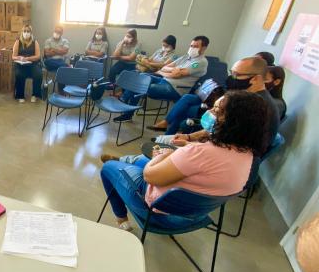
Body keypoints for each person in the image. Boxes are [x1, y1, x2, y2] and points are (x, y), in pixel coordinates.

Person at [100, 90, 269, 231]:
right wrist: (188, 145)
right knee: (139, 160)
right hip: (194, 215)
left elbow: (150, 176)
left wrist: (162, 155)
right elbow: (206, 163)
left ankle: (121, 219)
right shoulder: (249, 157)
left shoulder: (199, 152)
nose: (209, 113)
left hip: (158, 212)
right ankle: (126, 160)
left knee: (109, 168)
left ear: (233, 122)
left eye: (216, 111)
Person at [167, 57, 280, 153]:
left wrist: (190, 146)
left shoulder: (255, 106)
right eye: (232, 73)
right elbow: (216, 129)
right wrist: (189, 137)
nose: (232, 78)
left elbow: (226, 142)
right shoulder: (245, 97)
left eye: (237, 75)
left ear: (256, 79)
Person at [114, 36, 209, 122]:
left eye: (195, 46)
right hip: (163, 80)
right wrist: (171, 70)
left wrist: (166, 71)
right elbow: (166, 67)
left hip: (174, 88)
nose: (192, 48)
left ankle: (125, 108)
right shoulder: (185, 57)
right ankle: (124, 102)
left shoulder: (201, 62)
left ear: (204, 48)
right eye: (191, 46)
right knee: (140, 78)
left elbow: (177, 74)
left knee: (140, 86)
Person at [12, 25, 42, 103]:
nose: (26, 33)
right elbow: (13, 56)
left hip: (32, 64)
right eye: (24, 31)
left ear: (31, 33)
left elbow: (38, 56)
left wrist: (28, 58)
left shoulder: (35, 41)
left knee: (38, 74)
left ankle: (35, 95)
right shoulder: (18, 41)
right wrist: (20, 58)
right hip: (21, 64)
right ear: (22, 32)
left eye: (28, 31)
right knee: (19, 74)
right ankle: (20, 95)